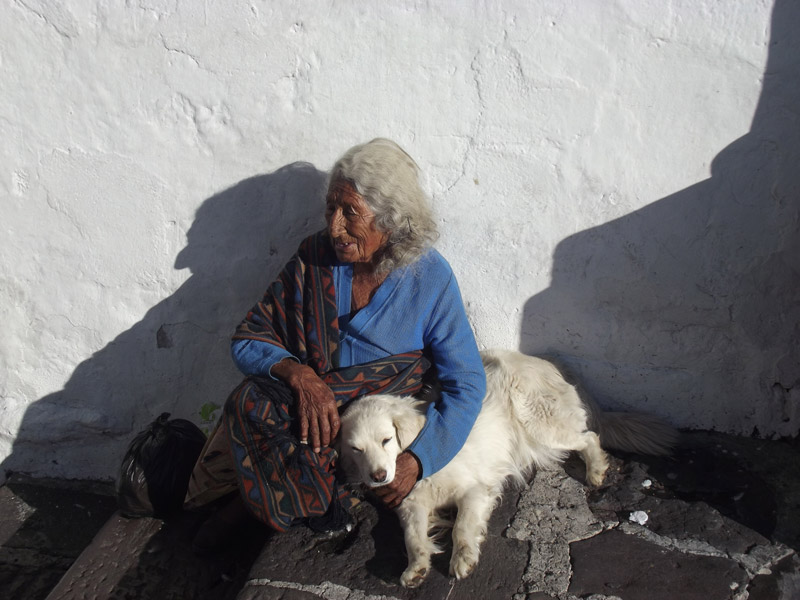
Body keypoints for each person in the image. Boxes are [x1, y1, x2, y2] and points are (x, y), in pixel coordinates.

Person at [186, 138, 486, 551]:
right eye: (331, 209)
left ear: (389, 218)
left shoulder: (428, 278)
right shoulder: (314, 258)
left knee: (351, 442)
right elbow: (249, 336)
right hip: (314, 404)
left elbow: (466, 383)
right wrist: (301, 375)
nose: (335, 227)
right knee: (250, 402)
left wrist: (417, 462)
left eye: (351, 213)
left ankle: (283, 503)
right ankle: (306, 504)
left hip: (372, 415)